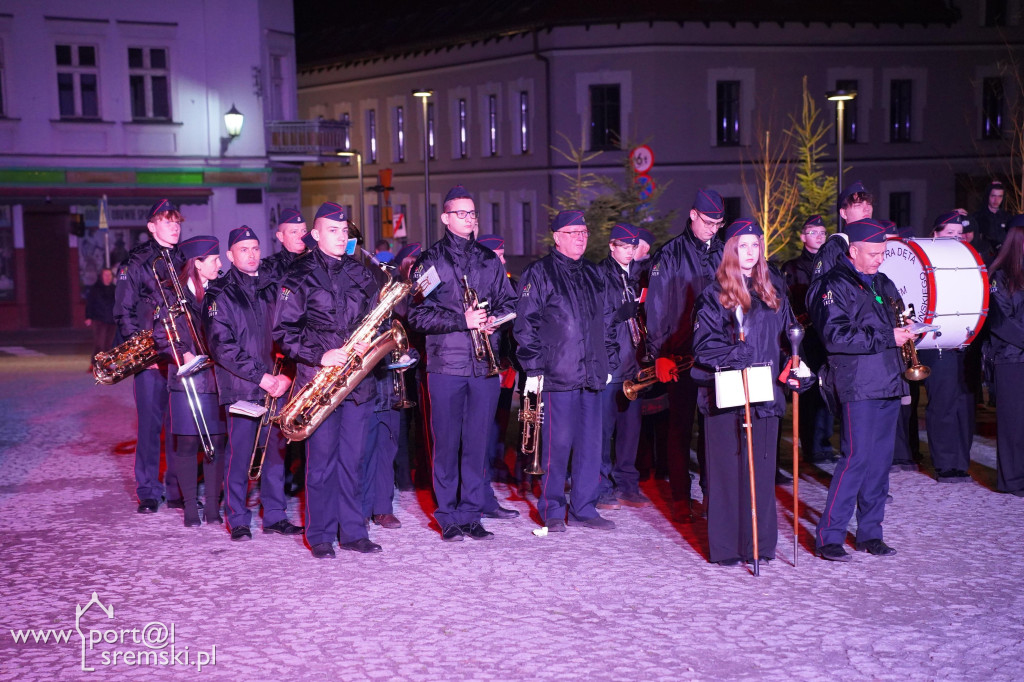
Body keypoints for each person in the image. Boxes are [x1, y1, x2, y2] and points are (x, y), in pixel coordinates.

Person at [692, 219, 813, 565]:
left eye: (755, 245)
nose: (750, 252)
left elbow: (790, 337)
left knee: (760, 472)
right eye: (742, 246)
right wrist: (732, 354)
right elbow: (702, 346)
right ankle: (728, 548)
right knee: (729, 473)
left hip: (765, 393)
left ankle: (758, 544)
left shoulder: (772, 288)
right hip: (728, 396)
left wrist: (797, 368)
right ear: (730, 249)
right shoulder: (713, 293)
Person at [274, 202, 384, 558]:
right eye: (333, 231)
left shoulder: (361, 273)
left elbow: (376, 317)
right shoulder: (297, 274)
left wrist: (370, 339)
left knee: (353, 459)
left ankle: (353, 531)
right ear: (316, 235)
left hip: (356, 381)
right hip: (318, 380)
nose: (341, 236)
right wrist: (320, 355)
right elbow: (283, 331)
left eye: (344, 231)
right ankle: (319, 534)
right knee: (321, 462)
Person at [407, 187, 517, 542]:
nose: (469, 219)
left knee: (477, 443)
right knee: (447, 443)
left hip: (484, 365)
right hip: (445, 366)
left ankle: (471, 513)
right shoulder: (429, 261)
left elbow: (509, 303)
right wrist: (463, 319)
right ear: (445, 218)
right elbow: (418, 316)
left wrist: (494, 320)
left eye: (472, 214)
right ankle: (448, 514)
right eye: (462, 214)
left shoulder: (488, 259)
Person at [808, 218, 913, 561]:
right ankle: (829, 536)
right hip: (857, 383)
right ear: (853, 251)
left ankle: (870, 532)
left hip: (887, 380)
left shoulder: (883, 282)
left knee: (880, 464)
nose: (879, 258)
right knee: (854, 460)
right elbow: (835, 337)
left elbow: (895, 322)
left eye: (883, 252)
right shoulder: (834, 284)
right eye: (873, 253)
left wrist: (908, 330)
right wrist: (888, 337)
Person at [514, 209, 618, 532]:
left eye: (584, 232)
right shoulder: (539, 273)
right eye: (573, 233)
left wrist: (607, 361)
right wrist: (533, 366)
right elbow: (524, 325)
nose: (581, 238)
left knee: (590, 445)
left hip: (591, 374)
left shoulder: (593, 273)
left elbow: (606, 321)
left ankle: (585, 506)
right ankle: (552, 509)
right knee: (556, 447)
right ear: (557, 238)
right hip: (557, 375)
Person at [204, 226, 301, 540]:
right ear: (231, 255)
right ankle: (238, 518)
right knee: (241, 454)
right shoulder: (219, 294)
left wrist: (286, 375)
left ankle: (274, 515)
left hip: (277, 385)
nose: (251, 254)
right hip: (243, 386)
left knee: (276, 452)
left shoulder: (274, 287)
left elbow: (290, 335)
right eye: (244, 249)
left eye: (256, 248)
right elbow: (222, 346)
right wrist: (262, 377)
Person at [645, 189, 725, 521]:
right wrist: (659, 353)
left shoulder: (724, 251)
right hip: (678, 356)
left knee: (715, 428)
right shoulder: (670, 255)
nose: (714, 229)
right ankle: (680, 495)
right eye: (709, 222)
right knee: (679, 428)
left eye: (720, 223)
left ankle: (713, 493)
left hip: (717, 356)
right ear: (693, 216)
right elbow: (656, 309)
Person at [113, 199, 184, 513]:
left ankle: (177, 488)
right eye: (167, 221)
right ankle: (148, 492)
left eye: (177, 221)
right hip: (153, 358)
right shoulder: (137, 261)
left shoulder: (182, 258)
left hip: (181, 356)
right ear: (152, 226)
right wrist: (144, 356)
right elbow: (123, 312)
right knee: (150, 428)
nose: (174, 227)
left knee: (179, 425)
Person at [153, 235, 227, 527]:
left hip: (215, 377)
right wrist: (180, 353)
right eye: (214, 259)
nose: (220, 264)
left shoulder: (220, 291)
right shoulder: (172, 294)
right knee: (186, 444)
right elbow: (161, 334)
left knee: (217, 444)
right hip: (185, 380)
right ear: (197, 263)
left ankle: (211, 507)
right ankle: (189, 508)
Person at [917, 212, 974, 483]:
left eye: (958, 233)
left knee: (958, 404)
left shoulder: (966, 262)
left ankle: (959, 460)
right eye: (949, 233)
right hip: (933, 344)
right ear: (935, 235)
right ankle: (945, 464)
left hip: (960, 342)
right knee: (941, 404)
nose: (955, 238)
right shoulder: (925, 263)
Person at [598, 223, 650, 508]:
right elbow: (595, 318)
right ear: (612, 246)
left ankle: (628, 484)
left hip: (634, 362)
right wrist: (618, 315)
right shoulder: (600, 274)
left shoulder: (639, 275)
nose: (629, 252)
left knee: (631, 430)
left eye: (632, 247)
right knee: (604, 430)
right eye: (623, 247)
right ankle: (602, 486)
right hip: (611, 362)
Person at [781, 215, 835, 463]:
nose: (820, 236)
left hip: (828, 337)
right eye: (814, 232)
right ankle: (811, 446)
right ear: (803, 237)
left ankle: (824, 444)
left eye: (823, 232)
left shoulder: (833, 264)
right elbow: (786, 305)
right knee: (809, 392)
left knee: (828, 390)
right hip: (805, 339)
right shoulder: (791, 268)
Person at [476, 233, 522, 519]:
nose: (504, 260)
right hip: (477, 365)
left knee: (498, 419)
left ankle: (493, 473)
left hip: (502, 364)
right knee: (479, 431)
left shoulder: (509, 285)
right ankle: (477, 488)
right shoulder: (477, 284)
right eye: (499, 255)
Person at [985, 216, 1024, 496]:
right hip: (1010, 359)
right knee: (1013, 424)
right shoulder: (999, 276)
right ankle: (1012, 480)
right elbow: (1000, 322)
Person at [970, 180, 1010, 264]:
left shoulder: (1008, 218)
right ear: (987, 196)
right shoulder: (977, 217)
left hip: (1004, 260)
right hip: (983, 259)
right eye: (993, 196)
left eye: (1000, 196)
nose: (996, 200)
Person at [262, 208, 308, 280]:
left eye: (304, 231)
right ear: (280, 236)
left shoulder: (314, 261)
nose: (301, 237)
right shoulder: (270, 268)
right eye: (294, 232)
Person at [85, 268, 117, 358]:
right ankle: (95, 363)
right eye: (105, 275)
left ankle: (107, 365)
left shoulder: (115, 289)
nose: (108, 277)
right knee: (99, 344)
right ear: (101, 276)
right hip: (99, 319)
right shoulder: (95, 289)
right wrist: (88, 317)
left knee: (109, 344)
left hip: (112, 320)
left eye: (109, 275)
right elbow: (90, 303)